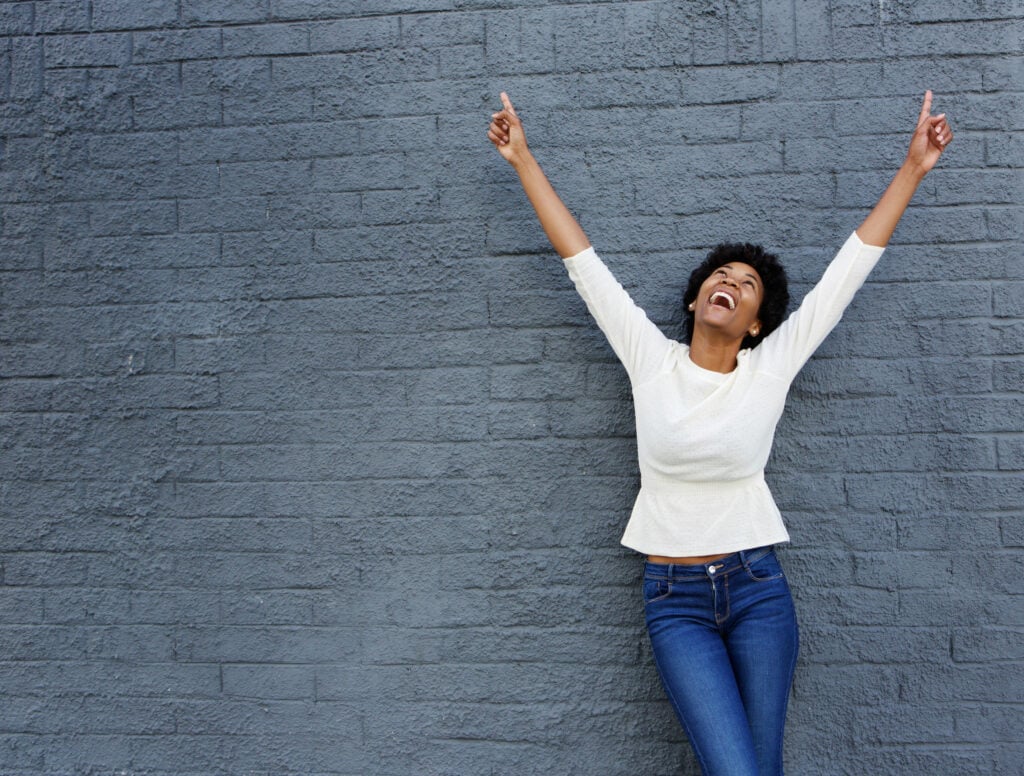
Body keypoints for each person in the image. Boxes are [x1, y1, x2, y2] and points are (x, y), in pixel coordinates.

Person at [487, 90, 952, 775]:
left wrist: (913, 169)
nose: (729, 282)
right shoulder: (650, 360)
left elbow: (849, 272)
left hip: (759, 589)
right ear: (696, 297)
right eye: (720, 275)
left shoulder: (769, 369)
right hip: (676, 603)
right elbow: (582, 263)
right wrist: (522, 159)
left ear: (756, 322)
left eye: (748, 285)